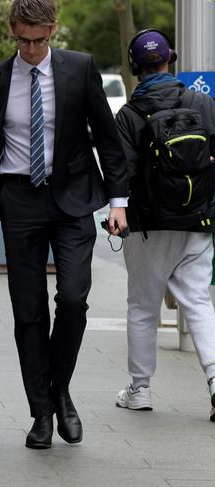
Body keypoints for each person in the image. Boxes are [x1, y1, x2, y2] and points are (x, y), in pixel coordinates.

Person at [0, 0, 129, 449]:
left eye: (39, 40)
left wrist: (118, 201)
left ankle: (57, 387)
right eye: (23, 40)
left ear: (53, 30)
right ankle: (41, 413)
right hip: (19, 197)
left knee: (75, 298)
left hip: (73, 197)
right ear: (12, 32)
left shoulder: (79, 68)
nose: (31, 49)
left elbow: (106, 135)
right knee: (28, 313)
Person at [113, 30, 215, 418]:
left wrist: (117, 210)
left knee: (142, 306)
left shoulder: (130, 114)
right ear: (170, 59)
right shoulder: (203, 103)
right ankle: (214, 379)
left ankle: (139, 390)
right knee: (199, 301)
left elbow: (119, 170)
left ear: (135, 68)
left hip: (148, 225)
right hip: (197, 219)